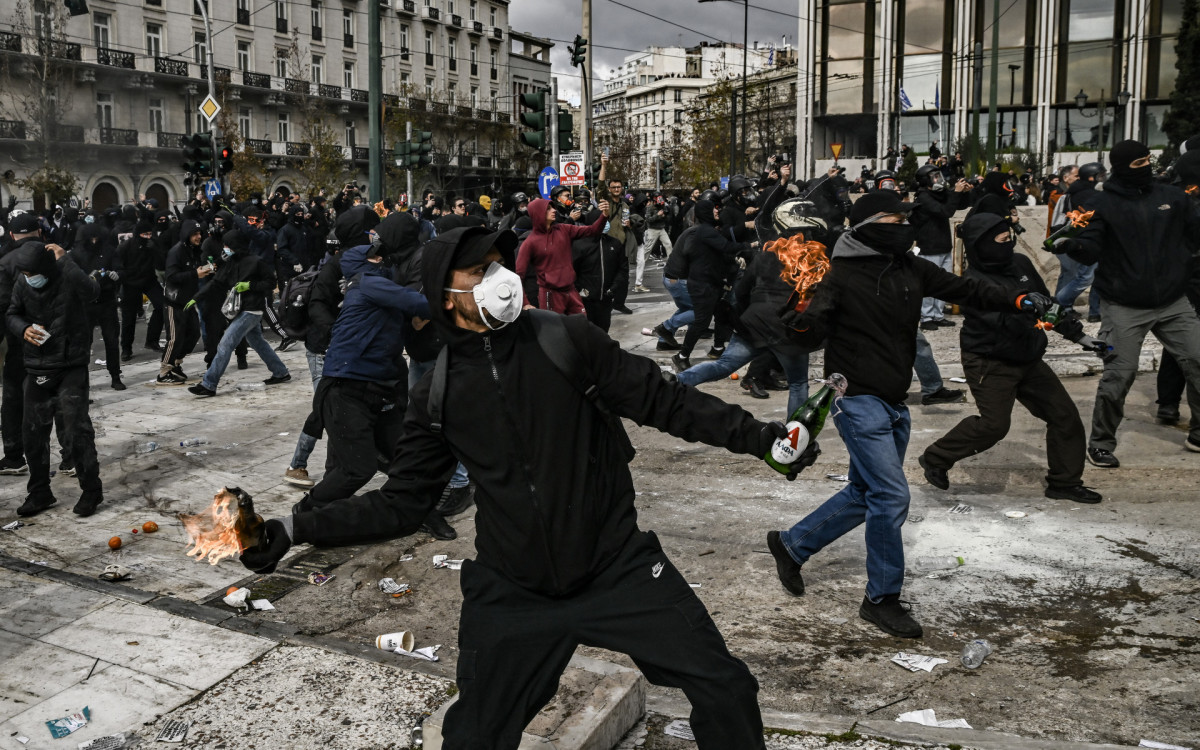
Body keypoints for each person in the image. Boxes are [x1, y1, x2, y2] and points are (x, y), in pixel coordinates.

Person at [238, 225, 810, 749]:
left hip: (617, 569)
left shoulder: (566, 340)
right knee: (475, 736)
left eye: (497, 263)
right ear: (445, 294)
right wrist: (294, 527)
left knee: (727, 689)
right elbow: (402, 502)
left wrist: (760, 438)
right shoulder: (436, 393)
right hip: (514, 590)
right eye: (478, 272)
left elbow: (665, 401)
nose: (500, 278)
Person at [766, 190, 1048, 638]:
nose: (902, 225)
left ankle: (792, 544)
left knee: (867, 494)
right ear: (867, 226)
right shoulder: (835, 275)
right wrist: (799, 314)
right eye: (892, 218)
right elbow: (806, 335)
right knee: (892, 496)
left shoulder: (909, 268)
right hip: (856, 401)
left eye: (904, 217)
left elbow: (966, 288)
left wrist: (1016, 298)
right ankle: (882, 599)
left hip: (895, 402)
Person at [917, 211, 1102, 504]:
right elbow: (997, 319)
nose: (1009, 245)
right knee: (994, 426)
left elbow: (1050, 307)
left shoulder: (1020, 263)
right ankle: (936, 457)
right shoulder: (973, 281)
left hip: (1027, 357)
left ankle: (1064, 483)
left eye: (1010, 238)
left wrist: (1080, 336)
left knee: (1064, 417)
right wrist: (1025, 305)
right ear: (983, 244)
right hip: (990, 360)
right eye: (1002, 240)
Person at [1053, 140, 1200, 465]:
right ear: (1121, 167)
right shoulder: (1101, 203)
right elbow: (1091, 245)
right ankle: (1101, 443)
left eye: (1149, 160)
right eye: (1138, 163)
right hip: (1124, 303)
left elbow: (1194, 234)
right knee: (1120, 373)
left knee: (1198, 358)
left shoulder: (1172, 197)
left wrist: (1182, 266)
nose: (1146, 167)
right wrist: (1072, 246)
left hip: (1173, 300)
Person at [292, 231, 439, 525]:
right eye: (374, 256)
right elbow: (420, 303)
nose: (381, 258)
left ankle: (424, 514)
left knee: (404, 459)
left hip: (376, 390)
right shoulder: (370, 283)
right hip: (348, 389)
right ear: (361, 264)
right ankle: (304, 513)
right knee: (357, 470)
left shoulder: (371, 286)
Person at [6, 239, 105, 517]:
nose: (28, 278)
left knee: (77, 430)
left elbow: (92, 291)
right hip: (36, 366)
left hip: (70, 364)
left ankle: (91, 491)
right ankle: (39, 493)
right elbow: (12, 313)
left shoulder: (66, 274)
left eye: (31, 273)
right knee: (33, 433)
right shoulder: (23, 283)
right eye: (24, 274)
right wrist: (23, 328)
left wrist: (66, 260)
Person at [186, 229, 291, 397]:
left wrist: (250, 286)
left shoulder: (256, 262)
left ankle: (209, 384)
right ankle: (280, 372)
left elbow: (270, 283)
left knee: (225, 344)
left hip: (252, 309)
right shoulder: (230, 263)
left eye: (227, 245)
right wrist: (197, 297)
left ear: (235, 246)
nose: (225, 248)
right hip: (241, 310)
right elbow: (216, 283)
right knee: (258, 342)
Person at [672, 199, 755, 371]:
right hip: (702, 284)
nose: (717, 212)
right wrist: (750, 245)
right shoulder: (705, 231)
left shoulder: (709, 230)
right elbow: (726, 246)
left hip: (711, 282)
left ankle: (718, 347)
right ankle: (681, 356)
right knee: (702, 321)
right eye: (713, 209)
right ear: (705, 213)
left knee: (723, 312)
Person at [514, 197, 609, 314]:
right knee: (555, 331)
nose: (554, 210)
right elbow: (518, 275)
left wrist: (604, 215)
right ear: (538, 213)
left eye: (553, 207)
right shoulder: (530, 242)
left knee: (582, 327)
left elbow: (592, 230)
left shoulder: (563, 229)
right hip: (550, 295)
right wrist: (525, 303)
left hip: (571, 290)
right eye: (548, 209)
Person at [911, 164, 971, 331]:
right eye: (934, 177)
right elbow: (945, 212)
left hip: (943, 245)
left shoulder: (939, 193)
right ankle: (926, 316)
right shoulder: (923, 197)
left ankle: (938, 315)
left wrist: (964, 192)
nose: (938, 179)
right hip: (930, 246)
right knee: (930, 282)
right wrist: (956, 192)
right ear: (925, 180)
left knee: (943, 282)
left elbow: (958, 205)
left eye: (938, 175)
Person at [70, 221, 125, 390]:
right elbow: (71, 274)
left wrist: (117, 274)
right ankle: (83, 381)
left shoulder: (109, 250)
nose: (94, 241)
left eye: (96, 238)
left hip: (106, 300)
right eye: (91, 239)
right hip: (86, 303)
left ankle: (115, 375)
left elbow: (120, 269)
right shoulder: (77, 253)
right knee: (84, 344)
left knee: (112, 340)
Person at [1050, 163, 1104, 323]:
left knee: (1088, 275)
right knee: (1079, 276)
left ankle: (1092, 311)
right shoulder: (1065, 195)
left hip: (1081, 240)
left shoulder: (1079, 193)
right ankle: (1059, 305)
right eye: (1076, 176)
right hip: (1074, 241)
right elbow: (1057, 221)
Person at [158, 220, 210, 385]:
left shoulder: (195, 250)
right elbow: (171, 277)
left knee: (194, 333)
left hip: (188, 300)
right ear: (187, 235)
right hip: (174, 301)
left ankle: (176, 364)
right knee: (174, 337)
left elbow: (195, 270)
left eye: (199, 233)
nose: (198, 237)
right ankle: (164, 371)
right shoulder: (177, 252)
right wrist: (195, 274)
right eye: (195, 234)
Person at [117, 220, 166, 361]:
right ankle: (126, 348)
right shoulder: (125, 247)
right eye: (145, 234)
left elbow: (161, 263)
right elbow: (118, 265)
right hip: (130, 283)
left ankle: (152, 340)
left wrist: (155, 249)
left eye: (151, 234)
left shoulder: (152, 244)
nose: (148, 237)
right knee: (129, 317)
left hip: (149, 280)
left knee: (162, 305)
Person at [635, 194, 673, 292]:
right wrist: (658, 215)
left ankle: (672, 266)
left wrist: (665, 215)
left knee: (668, 245)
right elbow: (648, 220)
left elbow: (668, 217)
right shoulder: (650, 207)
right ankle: (641, 263)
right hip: (652, 230)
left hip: (661, 229)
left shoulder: (663, 206)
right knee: (647, 250)